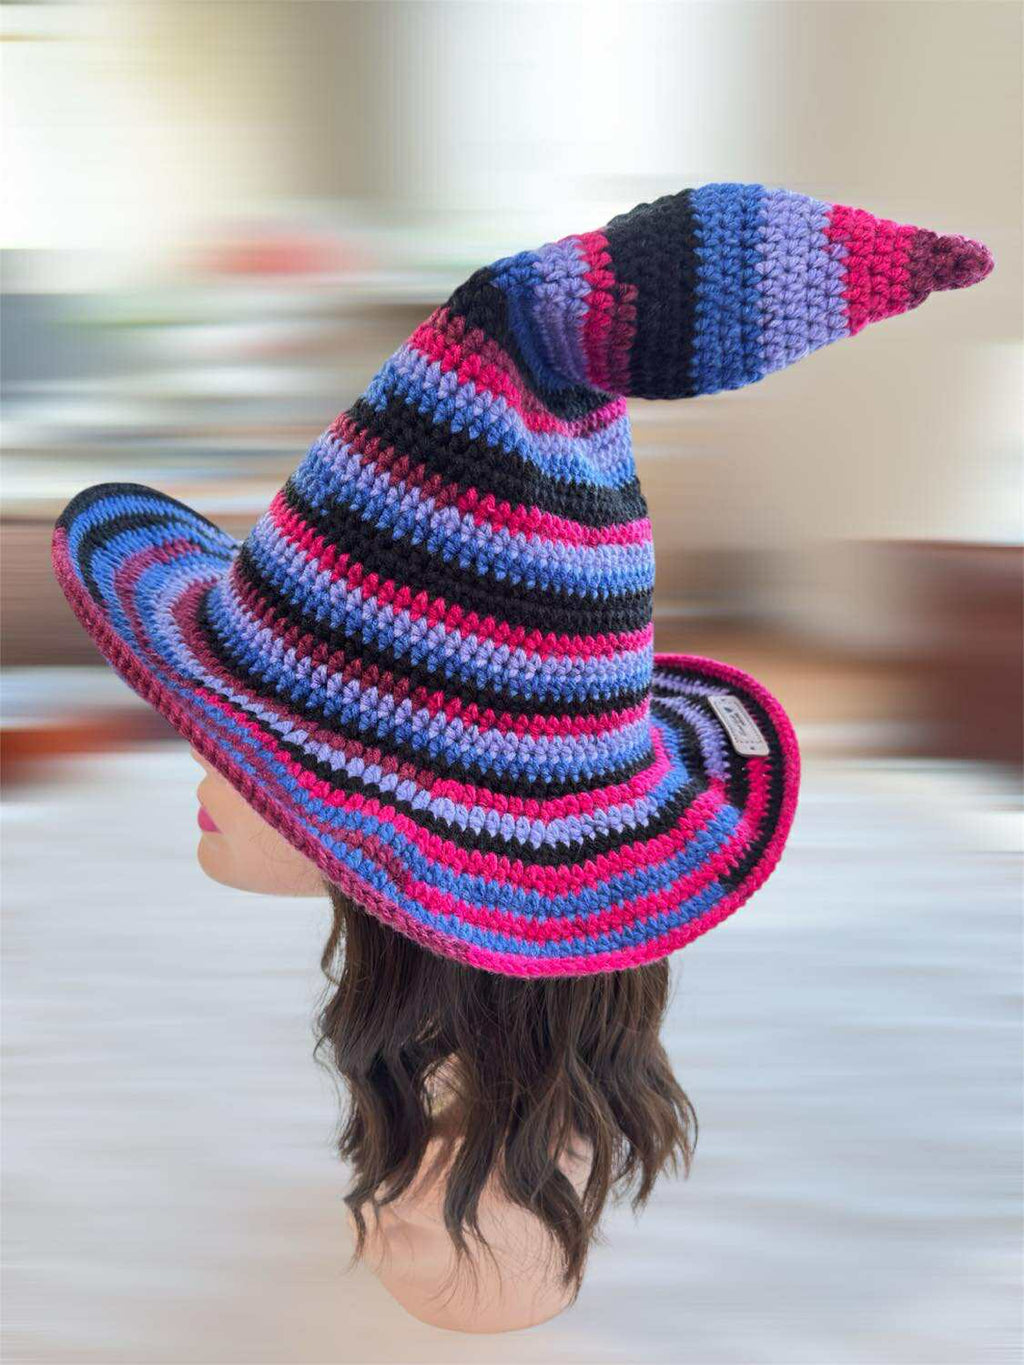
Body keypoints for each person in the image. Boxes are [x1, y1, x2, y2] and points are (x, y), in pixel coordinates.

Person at [51, 183, 993, 1332]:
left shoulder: (477, 1222)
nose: (200, 767)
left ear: (396, 803)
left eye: (244, 736)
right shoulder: (443, 1072)